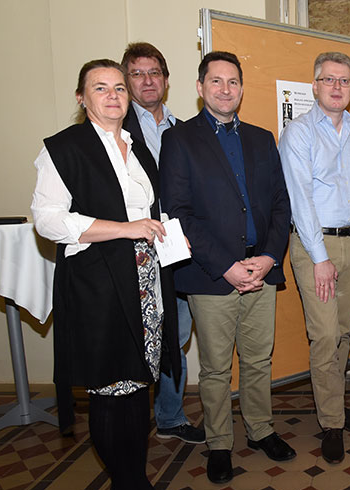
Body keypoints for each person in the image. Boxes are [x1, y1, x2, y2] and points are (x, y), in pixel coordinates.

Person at [32, 59, 181, 490]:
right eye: (101, 88)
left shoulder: (136, 148)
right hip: (99, 283)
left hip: (145, 279)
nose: (114, 95)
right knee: (109, 389)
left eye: (119, 87)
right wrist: (124, 228)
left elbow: (152, 210)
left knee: (138, 389)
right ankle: (122, 485)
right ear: (82, 97)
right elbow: (49, 219)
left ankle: (137, 477)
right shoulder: (64, 148)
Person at [160, 51, 295, 484]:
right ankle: (220, 442)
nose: (224, 89)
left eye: (232, 82)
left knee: (258, 359)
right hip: (211, 275)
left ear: (241, 88)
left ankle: (260, 430)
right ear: (200, 88)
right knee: (216, 368)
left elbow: (280, 203)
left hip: (261, 269)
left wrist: (270, 257)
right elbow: (178, 211)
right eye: (215, 81)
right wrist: (226, 266)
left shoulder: (261, 138)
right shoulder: (179, 140)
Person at [279, 52, 350, 464]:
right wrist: (319, 257)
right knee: (323, 335)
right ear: (315, 86)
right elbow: (300, 200)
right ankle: (332, 423)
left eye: (344, 81)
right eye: (328, 79)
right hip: (313, 244)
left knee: (342, 331)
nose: (336, 87)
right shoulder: (297, 133)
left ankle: (333, 403)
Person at [121, 41, 204, 445]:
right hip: (132, 252)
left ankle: (169, 416)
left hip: (177, 251)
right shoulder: (115, 131)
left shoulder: (184, 129)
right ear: (126, 80)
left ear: (167, 81)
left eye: (154, 72)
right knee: (139, 338)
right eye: (137, 74)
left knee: (177, 334)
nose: (147, 80)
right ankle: (132, 419)